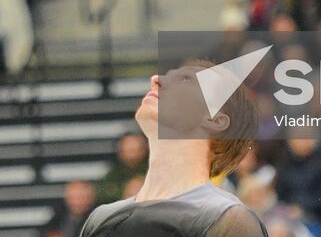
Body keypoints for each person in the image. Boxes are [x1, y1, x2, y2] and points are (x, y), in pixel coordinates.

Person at [80, 63, 266, 235]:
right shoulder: (101, 217)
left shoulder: (229, 219)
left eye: (185, 80)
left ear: (215, 120)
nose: (156, 79)